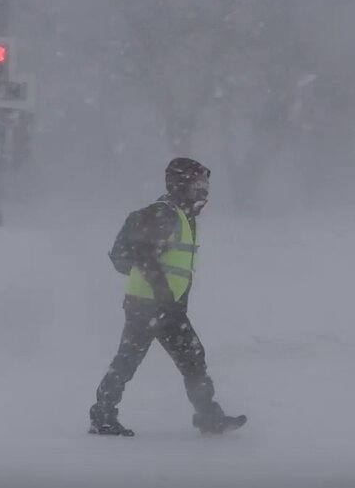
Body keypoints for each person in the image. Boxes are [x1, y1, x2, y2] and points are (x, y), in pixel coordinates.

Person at [89, 157, 246, 437]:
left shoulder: (180, 216)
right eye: (199, 184)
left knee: (189, 357)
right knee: (132, 359)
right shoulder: (164, 214)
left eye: (205, 184)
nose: (205, 191)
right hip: (149, 305)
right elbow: (143, 254)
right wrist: (162, 294)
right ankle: (102, 416)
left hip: (162, 306)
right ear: (181, 185)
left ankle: (208, 416)